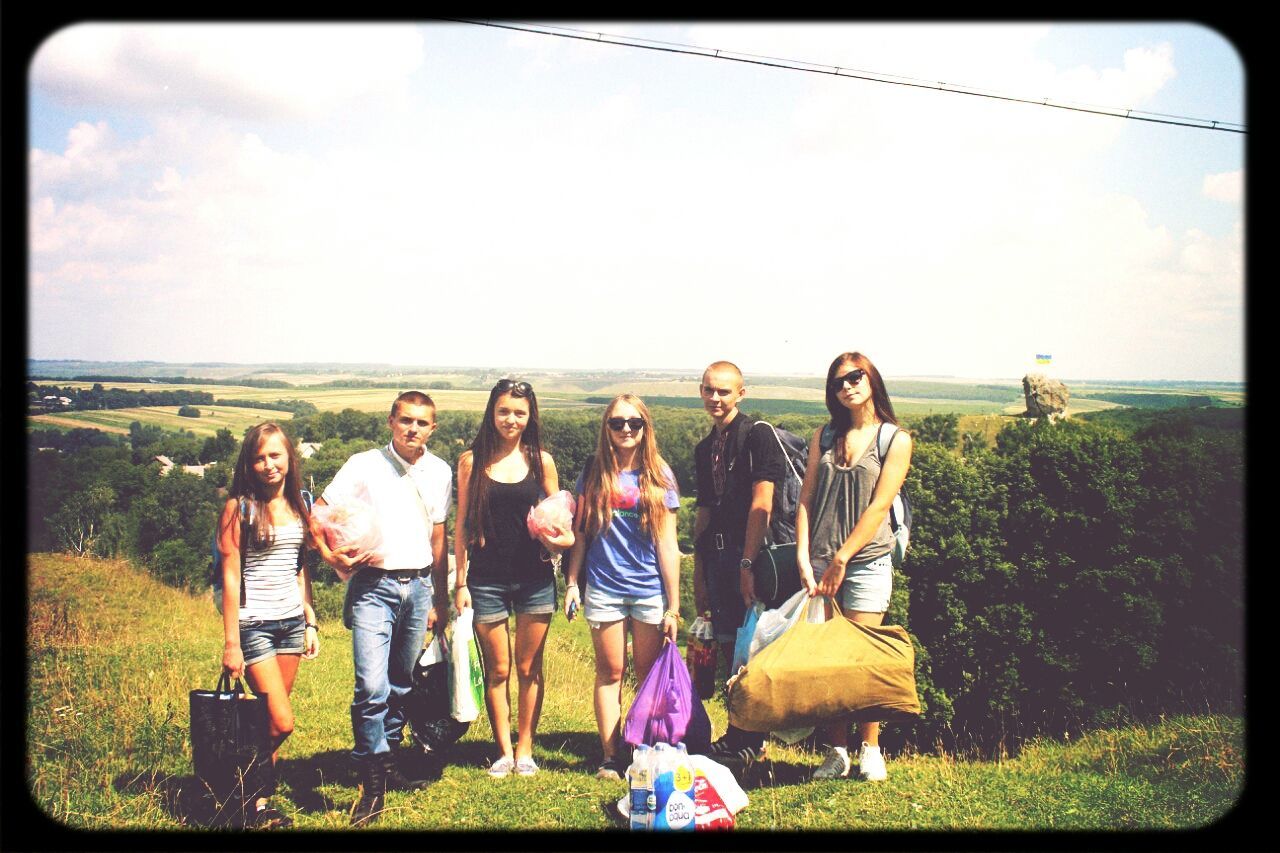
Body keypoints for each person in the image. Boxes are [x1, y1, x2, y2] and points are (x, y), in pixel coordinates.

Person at [316, 391, 452, 825]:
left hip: (419, 585)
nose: (413, 429)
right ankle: (372, 785)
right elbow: (318, 513)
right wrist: (332, 557)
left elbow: (438, 537)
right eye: (405, 420)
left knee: (401, 684)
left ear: (434, 428)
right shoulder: (363, 465)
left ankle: (387, 762)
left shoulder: (440, 472)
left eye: (422, 422)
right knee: (371, 687)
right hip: (374, 585)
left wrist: (439, 598)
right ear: (391, 421)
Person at [795, 352, 914, 782]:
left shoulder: (894, 439)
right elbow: (805, 499)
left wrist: (844, 557)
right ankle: (837, 751)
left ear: (872, 379)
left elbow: (880, 505)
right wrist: (804, 557)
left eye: (855, 376)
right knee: (830, 658)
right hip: (821, 563)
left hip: (864, 562)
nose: (848, 385)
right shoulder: (824, 436)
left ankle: (871, 748)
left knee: (862, 655)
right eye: (838, 381)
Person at [454, 378, 573, 779]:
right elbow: (462, 525)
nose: (511, 419)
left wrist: (561, 540)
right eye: (503, 411)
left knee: (529, 668)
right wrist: (459, 582)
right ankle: (502, 751)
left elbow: (558, 518)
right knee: (498, 670)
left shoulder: (543, 462)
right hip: (485, 578)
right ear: (492, 412)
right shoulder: (472, 461)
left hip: (534, 577)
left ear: (530, 416)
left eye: (519, 412)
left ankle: (526, 750)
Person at [563, 394, 682, 781]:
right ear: (607, 428)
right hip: (603, 587)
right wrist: (571, 583)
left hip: (648, 590)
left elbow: (668, 544)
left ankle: (643, 751)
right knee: (610, 672)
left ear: (646, 427)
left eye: (634, 422)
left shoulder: (660, 473)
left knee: (646, 675)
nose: (626, 429)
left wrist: (673, 606)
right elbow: (581, 534)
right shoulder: (593, 471)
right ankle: (612, 757)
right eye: (617, 423)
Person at [217, 422, 320, 829]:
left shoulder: (301, 503)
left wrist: (310, 619)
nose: (268, 464)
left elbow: (300, 568)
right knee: (282, 721)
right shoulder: (238, 508)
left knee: (265, 723)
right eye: (259, 457)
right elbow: (230, 576)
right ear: (249, 462)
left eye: (275, 455)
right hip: (254, 625)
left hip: (291, 624)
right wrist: (231, 644)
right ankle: (233, 788)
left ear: (289, 458)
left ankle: (253, 806)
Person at [692, 361, 786, 765]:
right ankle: (736, 736)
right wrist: (698, 572)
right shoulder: (704, 448)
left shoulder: (756, 435)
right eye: (710, 390)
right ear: (701, 391)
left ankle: (750, 738)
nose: (716, 398)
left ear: (741, 394)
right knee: (730, 644)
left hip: (750, 555)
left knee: (752, 648)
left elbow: (762, 502)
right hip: (717, 556)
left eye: (724, 391)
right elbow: (705, 511)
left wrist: (747, 564)